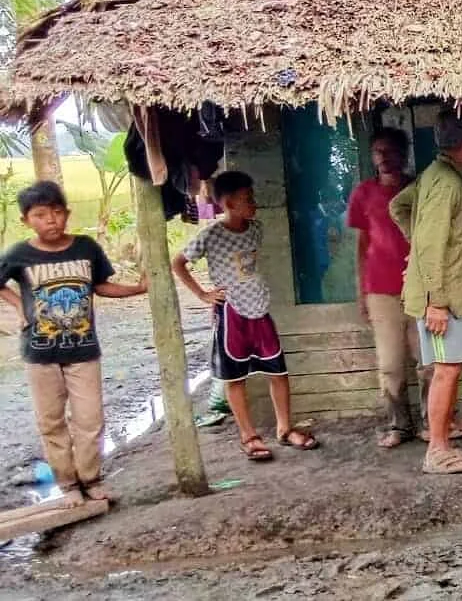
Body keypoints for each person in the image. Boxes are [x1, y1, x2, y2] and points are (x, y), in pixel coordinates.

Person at [0, 182, 148, 505]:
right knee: (51, 420)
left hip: (83, 350)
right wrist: (18, 307)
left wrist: (137, 289)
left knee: (90, 418)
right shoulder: (18, 254)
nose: (50, 220)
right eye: (40, 215)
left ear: (67, 214)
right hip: (40, 353)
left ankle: (90, 479)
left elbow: (101, 286)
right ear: (26, 220)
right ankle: (68, 485)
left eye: (56, 212)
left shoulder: (85, 248)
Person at [173, 171, 320, 462]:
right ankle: (248, 435)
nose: (254, 203)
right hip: (231, 313)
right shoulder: (211, 235)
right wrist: (202, 294)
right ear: (228, 203)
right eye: (247, 199)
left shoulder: (256, 229)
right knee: (234, 376)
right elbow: (177, 263)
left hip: (259, 308)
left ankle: (284, 428)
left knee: (278, 371)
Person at [347, 127, 462, 448]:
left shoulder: (419, 188)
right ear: (372, 157)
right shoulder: (363, 193)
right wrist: (362, 293)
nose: (385, 158)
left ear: (404, 153)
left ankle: (433, 423)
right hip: (380, 290)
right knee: (389, 363)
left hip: (416, 287)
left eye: (391, 151)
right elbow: (362, 245)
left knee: (427, 360)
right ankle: (398, 424)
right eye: (378, 152)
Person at [390, 110, 462, 474]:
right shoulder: (447, 184)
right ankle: (438, 451)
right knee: (446, 370)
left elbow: (397, 206)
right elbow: (431, 245)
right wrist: (437, 302)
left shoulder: (434, 174)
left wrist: (416, 246)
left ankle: (442, 444)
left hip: (438, 291)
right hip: (441, 298)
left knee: (449, 368)